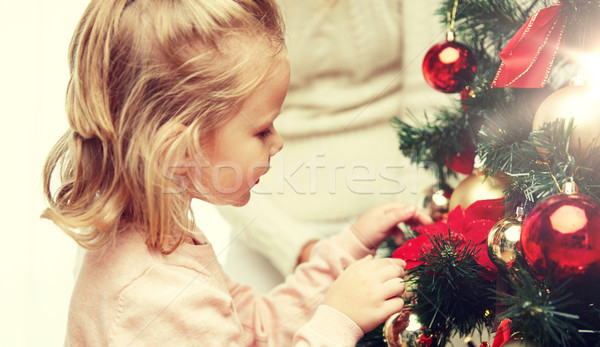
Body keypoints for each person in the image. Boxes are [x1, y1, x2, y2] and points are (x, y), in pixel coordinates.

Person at [42, 0, 431, 345]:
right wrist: (337, 322)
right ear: (180, 150)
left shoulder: (167, 238)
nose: (278, 143)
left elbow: (256, 329)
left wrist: (346, 248)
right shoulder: (153, 296)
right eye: (261, 130)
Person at [217, 0, 445, 281]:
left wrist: (413, 226)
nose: (279, 143)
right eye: (265, 130)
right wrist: (299, 249)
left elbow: (432, 99)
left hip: (397, 219)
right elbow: (209, 141)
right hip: (264, 228)